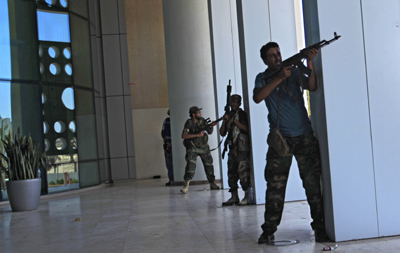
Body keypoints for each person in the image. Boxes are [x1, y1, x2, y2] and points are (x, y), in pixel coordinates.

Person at [253, 42, 328, 244]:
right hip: (280, 141)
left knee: (313, 186)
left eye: (278, 54)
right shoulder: (262, 78)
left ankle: (320, 228)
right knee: (275, 188)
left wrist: (309, 61)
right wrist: (278, 78)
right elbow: (258, 97)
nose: (277, 58)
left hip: (304, 136)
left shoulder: (293, 72)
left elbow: (312, 86)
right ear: (265, 60)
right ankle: (268, 231)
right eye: (272, 56)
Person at [219, 94, 251, 206]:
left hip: (241, 148)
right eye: (233, 102)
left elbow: (246, 128)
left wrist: (235, 121)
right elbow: (222, 133)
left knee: (243, 173)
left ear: (239, 103)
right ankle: (234, 196)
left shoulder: (241, 114)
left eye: (237, 102)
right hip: (232, 149)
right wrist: (225, 121)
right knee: (231, 173)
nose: (234, 104)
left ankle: (247, 196)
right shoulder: (228, 114)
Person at [180, 106, 220, 194]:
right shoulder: (189, 122)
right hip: (192, 147)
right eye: (198, 112)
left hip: (203, 147)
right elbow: (184, 136)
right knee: (191, 165)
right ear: (193, 114)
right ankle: (186, 185)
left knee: (209, 165)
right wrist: (197, 135)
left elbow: (209, 132)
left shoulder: (203, 120)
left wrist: (212, 126)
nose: (200, 114)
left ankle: (212, 183)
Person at [161, 109, 174, 186]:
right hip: (168, 144)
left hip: (175, 144)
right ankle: (171, 179)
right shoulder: (167, 121)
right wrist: (167, 142)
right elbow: (163, 132)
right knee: (169, 162)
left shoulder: (178, 120)